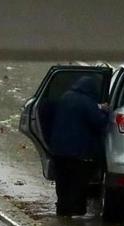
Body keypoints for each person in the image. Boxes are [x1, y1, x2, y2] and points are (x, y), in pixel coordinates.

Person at [45, 75, 108, 216]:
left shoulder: (65, 97)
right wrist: (105, 112)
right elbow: (99, 122)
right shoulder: (87, 102)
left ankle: (62, 207)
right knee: (77, 182)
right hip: (79, 153)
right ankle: (75, 208)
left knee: (62, 181)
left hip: (59, 150)